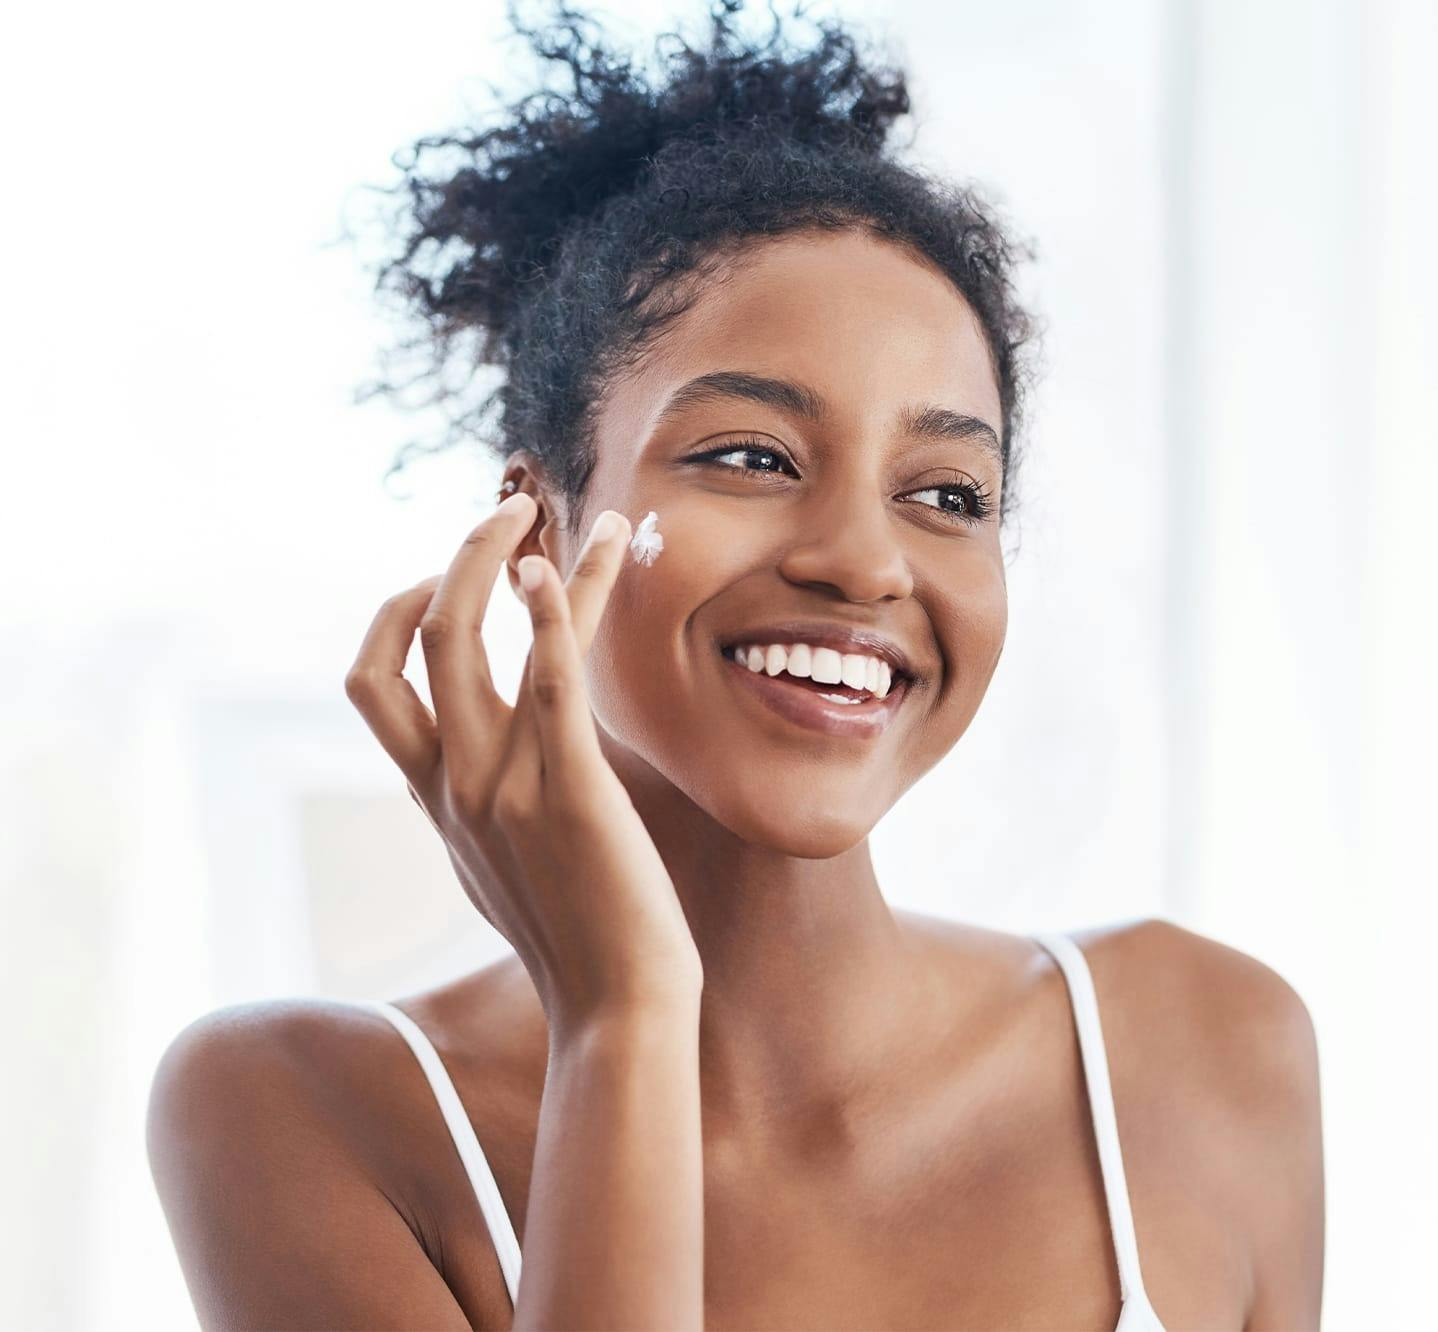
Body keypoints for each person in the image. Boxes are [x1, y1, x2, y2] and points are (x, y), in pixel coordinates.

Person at [146, 2, 1325, 1327]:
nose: (863, 562)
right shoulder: (303, 1110)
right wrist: (624, 1018)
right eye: (752, 458)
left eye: (944, 492)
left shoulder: (1199, 1045)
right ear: (536, 523)